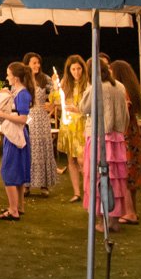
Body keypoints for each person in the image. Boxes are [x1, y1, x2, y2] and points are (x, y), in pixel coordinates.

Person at [81, 56, 135, 229]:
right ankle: (112, 219)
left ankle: (101, 220)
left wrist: (89, 87)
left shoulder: (96, 87)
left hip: (99, 136)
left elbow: (84, 108)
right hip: (117, 138)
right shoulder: (119, 86)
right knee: (115, 179)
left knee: (97, 176)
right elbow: (125, 115)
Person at [0, 62, 32, 220]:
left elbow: (22, 118)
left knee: (8, 171)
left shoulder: (23, 94)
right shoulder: (17, 92)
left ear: (15, 77)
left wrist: (2, 116)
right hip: (16, 135)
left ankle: (13, 209)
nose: (7, 77)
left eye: (8, 74)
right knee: (18, 172)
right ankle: (19, 206)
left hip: (16, 135)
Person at [110, 59, 141, 223]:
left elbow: (123, 114)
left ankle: (129, 212)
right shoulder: (132, 89)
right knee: (131, 175)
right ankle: (132, 210)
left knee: (124, 173)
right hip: (132, 135)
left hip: (125, 136)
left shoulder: (123, 92)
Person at [23, 54, 59, 198]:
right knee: (29, 149)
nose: (37, 66)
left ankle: (44, 184)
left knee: (43, 148)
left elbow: (56, 95)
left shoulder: (45, 79)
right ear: (27, 64)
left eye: (38, 63)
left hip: (42, 118)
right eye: (34, 63)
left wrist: (51, 105)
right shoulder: (23, 80)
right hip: (27, 117)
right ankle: (27, 184)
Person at [58, 55, 89, 203]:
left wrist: (78, 110)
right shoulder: (66, 84)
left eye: (79, 68)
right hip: (69, 126)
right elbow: (57, 101)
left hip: (82, 125)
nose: (76, 72)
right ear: (68, 70)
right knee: (71, 160)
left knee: (83, 160)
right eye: (73, 69)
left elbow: (89, 107)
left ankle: (88, 190)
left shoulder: (88, 84)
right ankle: (77, 192)